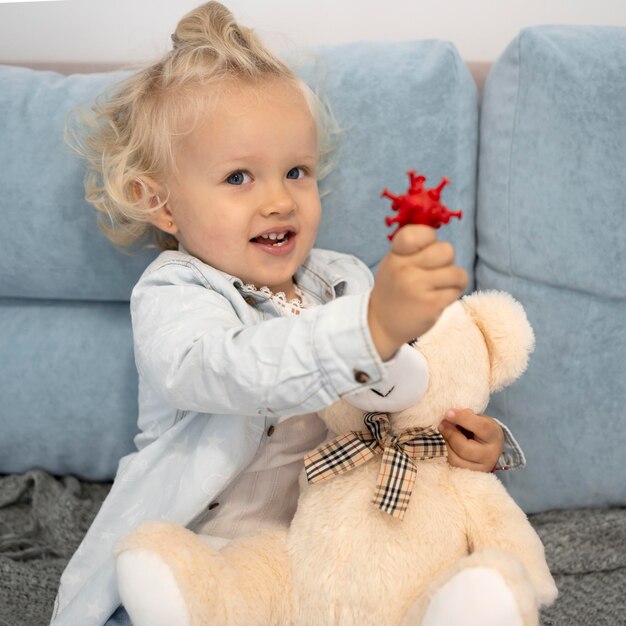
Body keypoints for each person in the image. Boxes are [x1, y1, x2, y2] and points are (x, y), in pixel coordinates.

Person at [51, 3, 525, 625]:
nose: (279, 200)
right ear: (160, 202)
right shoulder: (175, 293)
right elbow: (222, 370)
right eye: (239, 176)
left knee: (419, 590)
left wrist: (468, 441)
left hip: (330, 556)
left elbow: (400, 401)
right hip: (211, 553)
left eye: (296, 171)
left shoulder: (343, 277)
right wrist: (368, 334)